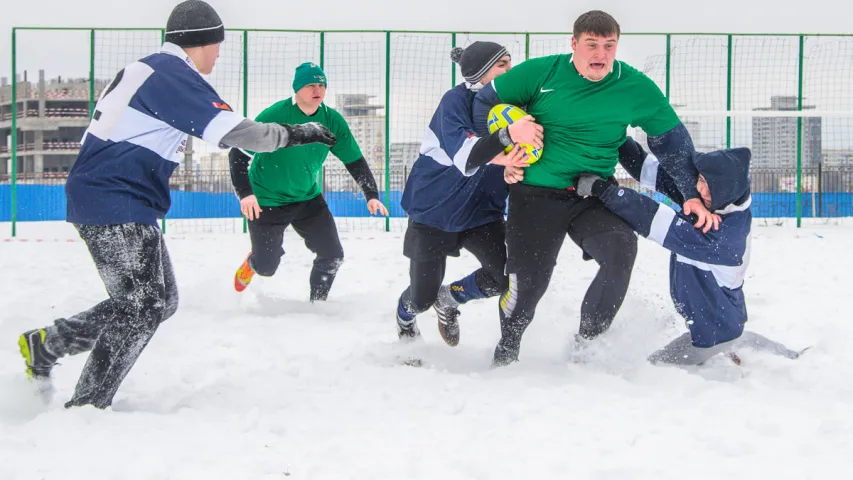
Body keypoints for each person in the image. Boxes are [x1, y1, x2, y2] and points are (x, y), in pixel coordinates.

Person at [17, 0, 337, 409]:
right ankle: (86, 408)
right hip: (114, 197)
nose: (220, 53)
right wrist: (298, 132)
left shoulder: (147, 68)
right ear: (201, 42)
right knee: (143, 306)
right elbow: (243, 134)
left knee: (159, 301)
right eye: (218, 44)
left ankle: (48, 345)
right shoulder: (173, 77)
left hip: (116, 196)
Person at [472, 10, 720, 367]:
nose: (600, 54)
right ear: (574, 44)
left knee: (621, 251)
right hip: (535, 196)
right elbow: (483, 103)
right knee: (527, 288)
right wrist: (506, 150)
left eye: (609, 45)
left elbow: (672, 142)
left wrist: (691, 195)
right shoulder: (540, 73)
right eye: (591, 44)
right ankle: (507, 350)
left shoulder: (634, 87)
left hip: (592, 193)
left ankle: (585, 346)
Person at [574, 137, 804, 365]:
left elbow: (654, 219)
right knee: (736, 338)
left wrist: (604, 190)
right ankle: (783, 355)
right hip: (726, 321)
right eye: (701, 179)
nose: (700, 189)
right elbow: (651, 171)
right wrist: (617, 137)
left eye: (708, 185)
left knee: (654, 366)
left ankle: (785, 359)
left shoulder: (721, 236)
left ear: (726, 189)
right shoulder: (717, 200)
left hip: (710, 338)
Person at [395, 42, 540, 346]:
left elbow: (520, 156)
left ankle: (449, 299)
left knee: (504, 277)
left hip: (480, 213)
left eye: (510, 63)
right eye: (502, 65)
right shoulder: (455, 101)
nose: (509, 71)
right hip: (434, 213)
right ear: (479, 73)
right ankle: (405, 317)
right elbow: (466, 156)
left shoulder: (517, 106)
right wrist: (508, 141)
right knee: (421, 298)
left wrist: (511, 171)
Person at [229, 62, 389, 301]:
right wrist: (246, 193)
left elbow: (354, 159)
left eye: (322, 85)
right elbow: (238, 153)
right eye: (311, 84)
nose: (318, 89)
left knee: (332, 255)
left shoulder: (332, 120)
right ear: (297, 88)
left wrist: (372, 194)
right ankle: (254, 262)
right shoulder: (274, 115)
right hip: (266, 200)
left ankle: (318, 303)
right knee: (266, 267)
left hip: (307, 198)